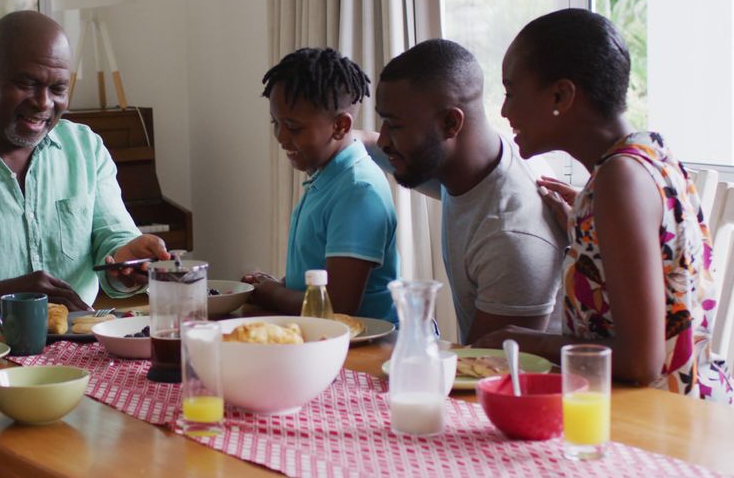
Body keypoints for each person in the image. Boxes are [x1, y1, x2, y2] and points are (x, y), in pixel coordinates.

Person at [475, 9, 732, 404]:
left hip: (662, 419)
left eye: (511, 91)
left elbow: (642, 363)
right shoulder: (649, 151)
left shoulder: (619, 180)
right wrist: (588, 228)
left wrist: (529, 341)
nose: (505, 111)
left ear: (561, 95)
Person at [0, 10, 169, 324]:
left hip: (80, 344)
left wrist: (127, 263)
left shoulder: (85, 149)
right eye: (27, 84)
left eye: (58, 89)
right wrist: (1, 297)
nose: (43, 103)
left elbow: (114, 241)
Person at [357, 39, 565, 343]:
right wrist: (332, 135)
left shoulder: (511, 232)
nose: (385, 139)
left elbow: (486, 366)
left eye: (395, 125)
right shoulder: (471, 162)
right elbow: (374, 145)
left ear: (450, 123)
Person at [242, 47, 399, 321]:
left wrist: (270, 293)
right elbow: (318, 277)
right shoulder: (328, 177)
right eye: (275, 123)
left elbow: (337, 306)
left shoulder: (358, 190)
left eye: (293, 127)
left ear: (340, 125)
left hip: (368, 350)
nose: (280, 137)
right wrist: (279, 286)